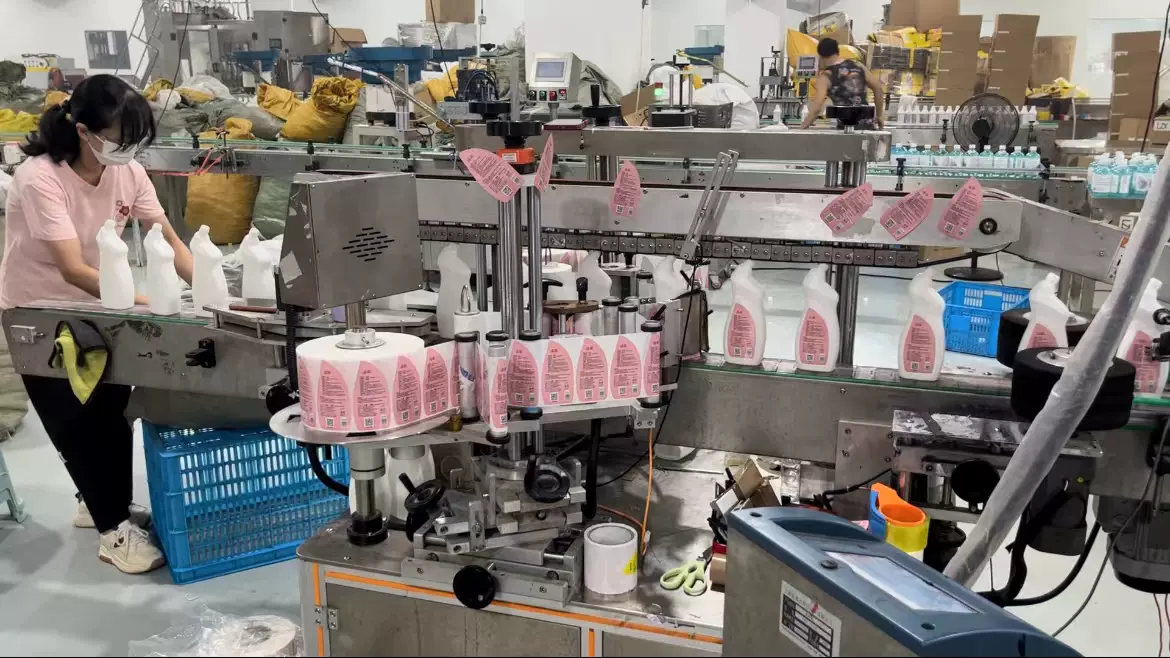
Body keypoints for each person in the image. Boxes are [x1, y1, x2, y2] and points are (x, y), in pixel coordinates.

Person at [1, 74, 194, 574]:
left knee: (112, 409)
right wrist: (144, 301)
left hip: (103, 305)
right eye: (119, 138)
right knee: (75, 419)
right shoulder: (41, 178)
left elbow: (167, 239)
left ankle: (104, 506)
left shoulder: (128, 172)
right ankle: (113, 532)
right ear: (83, 131)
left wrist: (211, 292)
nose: (127, 149)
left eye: (136, 139)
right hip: (39, 311)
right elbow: (71, 268)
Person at [800, 38, 885, 130]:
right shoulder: (858, 66)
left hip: (846, 130)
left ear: (820, 56)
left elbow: (817, 107)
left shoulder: (826, 76)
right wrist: (879, 115)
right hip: (867, 126)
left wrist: (804, 126)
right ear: (837, 52)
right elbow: (878, 89)